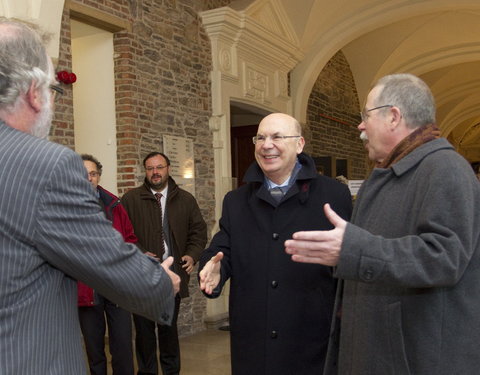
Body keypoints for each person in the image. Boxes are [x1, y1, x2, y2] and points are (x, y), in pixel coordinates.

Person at [0, 17, 180, 375]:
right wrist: (161, 282)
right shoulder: (46, 165)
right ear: (34, 92)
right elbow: (108, 262)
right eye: (54, 89)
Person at [285, 74, 480, 375]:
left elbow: (444, 256)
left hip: (413, 359)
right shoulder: (393, 173)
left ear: (393, 116)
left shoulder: (446, 169)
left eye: (366, 115)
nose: (360, 126)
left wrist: (352, 250)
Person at [199, 113, 352, 375]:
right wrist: (213, 270)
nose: (266, 144)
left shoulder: (333, 195)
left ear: (300, 144)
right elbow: (223, 249)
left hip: (311, 341)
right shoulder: (236, 201)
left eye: (277, 137)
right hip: (254, 341)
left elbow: (349, 263)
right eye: (260, 137)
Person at [121, 152, 207, 375]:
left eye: (159, 167)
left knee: (168, 330)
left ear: (168, 168)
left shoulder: (186, 199)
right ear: (145, 171)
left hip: (172, 276)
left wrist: (192, 254)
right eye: (150, 168)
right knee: (144, 331)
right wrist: (139, 253)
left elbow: (198, 232)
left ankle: (171, 371)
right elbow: (120, 234)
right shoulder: (130, 199)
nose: (155, 172)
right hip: (142, 275)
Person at [78, 154, 136, 375]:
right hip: (86, 287)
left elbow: (129, 238)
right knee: (94, 350)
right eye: (84, 174)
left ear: (99, 176)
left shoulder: (114, 204)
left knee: (122, 345)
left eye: (93, 174)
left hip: (117, 285)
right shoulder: (64, 206)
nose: (89, 178)